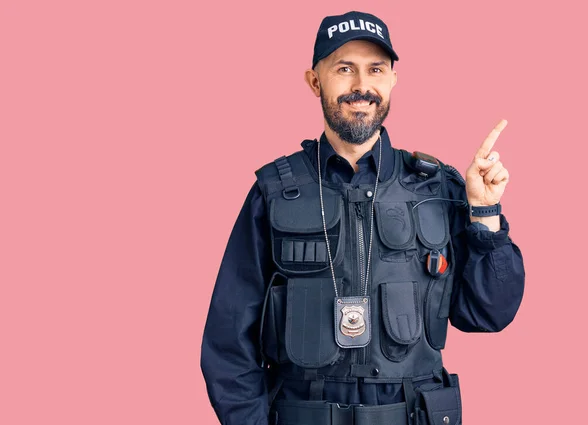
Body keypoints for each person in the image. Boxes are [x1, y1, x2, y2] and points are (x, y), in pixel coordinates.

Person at [201, 10, 525, 425]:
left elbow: (488, 314)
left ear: (392, 80)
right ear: (315, 81)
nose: (362, 86)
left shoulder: (439, 189)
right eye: (344, 69)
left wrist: (484, 213)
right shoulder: (274, 192)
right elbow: (227, 341)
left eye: (376, 70)